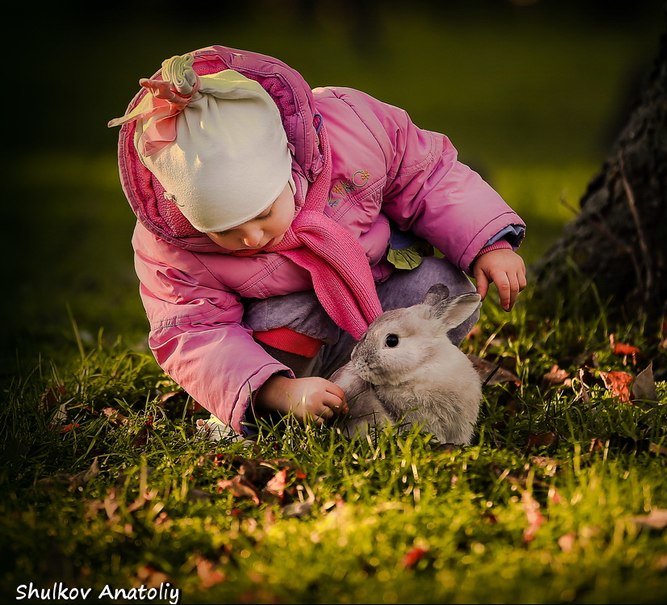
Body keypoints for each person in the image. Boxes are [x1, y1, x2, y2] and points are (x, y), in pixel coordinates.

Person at [108, 45, 527, 436]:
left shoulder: (351, 135)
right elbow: (193, 330)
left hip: (373, 299)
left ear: (288, 167)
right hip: (284, 344)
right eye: (225, 231)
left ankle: (383, 385)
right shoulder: (173, 246)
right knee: (289, 313)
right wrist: (277, 391)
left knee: (441, 287)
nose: (251, 237)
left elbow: (426, 176)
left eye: (263, 214)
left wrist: (489, 241)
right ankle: (293, 406)